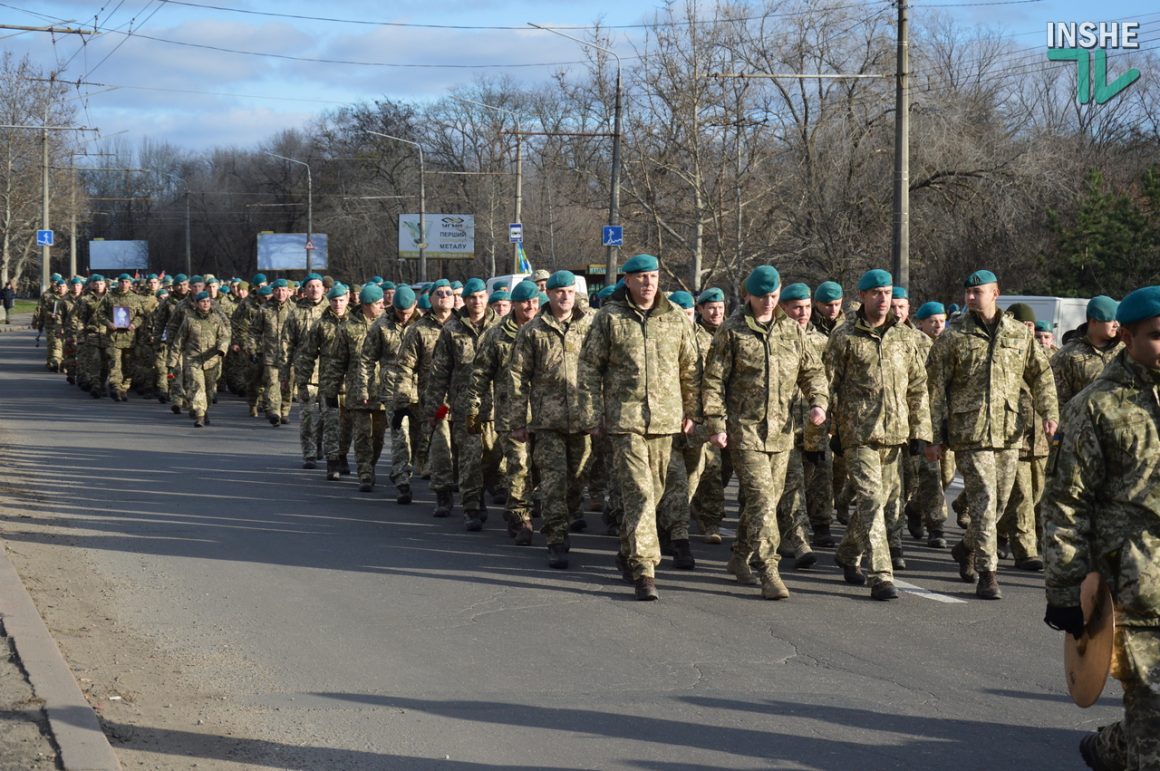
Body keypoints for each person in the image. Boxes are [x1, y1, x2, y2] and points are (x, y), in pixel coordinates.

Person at [1041, 285, 1160, 771]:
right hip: (1134, 588)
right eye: (1157, 335)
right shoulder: (1096, 406)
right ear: (1126, 338)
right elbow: (1067, 501)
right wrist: (1066, 589)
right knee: (1153, 726)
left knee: (1148, 729)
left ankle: (1112, 745)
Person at [926, 270, 1058, 600]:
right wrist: (933, 435)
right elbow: (933, 389)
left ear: (995, 292)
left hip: (1009, 432)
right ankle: (988, 573)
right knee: (984, 500)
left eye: (978, 292)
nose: (971, 297)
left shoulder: (1017, 333)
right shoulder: (953, 335)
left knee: (999, 504)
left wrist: (1050, 414)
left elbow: (1040, 374)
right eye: (967, 292)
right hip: (969, 432)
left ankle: (965, 549)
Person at [702, 266, 828, 601]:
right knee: (760, 499)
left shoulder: (792, 330)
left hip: (781, 433)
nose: (769, 302)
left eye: (774, 296)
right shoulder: (732, 331)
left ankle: (739, 555)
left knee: (765, 503)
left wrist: (818, 402)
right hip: (744, 431)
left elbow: (812, 371)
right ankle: (769, 569)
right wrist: (715, 423)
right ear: (748, 296)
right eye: (762, 297)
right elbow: (713, 382)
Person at [578, 254, 699, 601]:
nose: (648, 283)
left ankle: (626, 549)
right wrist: (593, 411)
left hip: (665, 422)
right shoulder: (610, 318)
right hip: (625, 420)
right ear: (627, 281)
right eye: (641, 277)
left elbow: (690, 369)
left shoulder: (675, 319)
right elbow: (588, 367)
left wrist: (693, 411)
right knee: (640, 493)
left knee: (655, 494)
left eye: (653, 276)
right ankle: (645, 568)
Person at [824, 270, 931, 600]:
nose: (883, 299)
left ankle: (846, 553)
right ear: (863, 296)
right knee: (870, 499)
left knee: (883, 504)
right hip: (859, 435)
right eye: (876, 293)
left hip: (895, 434)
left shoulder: (906, 338)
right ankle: (881, 574)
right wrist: (830, 432)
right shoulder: (844, 337)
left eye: (887, 293)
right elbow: (827, 386)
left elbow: (917, 387)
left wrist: (920, 431)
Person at [508, 272, 594, 566]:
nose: (564, 297)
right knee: (553, 482)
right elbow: (518, 378)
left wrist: (604, 413)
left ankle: (566, 518)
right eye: (558, 292)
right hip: (547, 422)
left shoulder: (591, 325)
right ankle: (556, 538)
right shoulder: (532, 331)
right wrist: (518, 420)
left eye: (569, 291)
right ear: (550, 295)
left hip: (584, 419)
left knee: (576, 481)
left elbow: (607, 371)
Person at [425, 277, 502, 531]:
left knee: (493, 459)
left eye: (480, 296)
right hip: (464, 406)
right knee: (469, 461)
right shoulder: (452, 330)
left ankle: (486, 490)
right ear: (465, 300)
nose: (477, 302)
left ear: (486, 298)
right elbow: (439, 372)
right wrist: (434, 408)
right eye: (471, 298)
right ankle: (472, 506)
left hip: (495, 407)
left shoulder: (501, 327)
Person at [471, 280, 540, 544]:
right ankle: (520, 516)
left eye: (534, 301)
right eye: (525, 302)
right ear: (513, 304)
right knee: (518, 465)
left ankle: (530, 506)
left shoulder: (545, 330)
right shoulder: (497, 335)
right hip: (510, 413)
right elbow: (479, 374)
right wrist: (475, 409)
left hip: (546, 413)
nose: (530, 307)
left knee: (542, 468)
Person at [393, 279, 458, 516]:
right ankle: (443, 495)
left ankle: (470, 494)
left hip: (463, 399)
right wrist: (401, 400)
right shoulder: (418, 329)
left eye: (448, 292)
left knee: (465, 451)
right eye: (439, 293)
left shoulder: (464, 325)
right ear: (430, 299)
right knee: (440, 448)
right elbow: (405, 367)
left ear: (454, 297)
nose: (444, 296)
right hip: (433, 401)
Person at [360, 286, 421, 499]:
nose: (404, 317)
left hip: (421, 389)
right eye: (399, 312)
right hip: (392, 390)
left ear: (415, 306)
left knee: (419, 437)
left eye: (408, 312)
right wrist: (366, 386)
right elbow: (367, 358)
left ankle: (419, 468)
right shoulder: (381, 326)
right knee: (400, 435)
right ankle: (402, 478)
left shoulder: (424, 325)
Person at [324, 284, 384, 492]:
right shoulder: (347, 327)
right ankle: (365, 473)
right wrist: (330, 390)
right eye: (378, 303)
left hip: (383, 390)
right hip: (357, 390)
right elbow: (337, 361)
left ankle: (371, 464)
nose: (382, 306)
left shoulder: (387, 325)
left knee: (378, 437)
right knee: (361, 435)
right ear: (368, 305)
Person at [296, 282, 351, 476]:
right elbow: (307, 354)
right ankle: (332, 461)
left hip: (352, 381)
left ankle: (343, 454)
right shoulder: (321, 324)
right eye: (334, 301)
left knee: (348, 423)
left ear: (348, 299)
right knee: (331, 421)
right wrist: (302, 381)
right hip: (329, 380)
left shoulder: (355, 322)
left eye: (341, 300)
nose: (337, 304)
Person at [908, 301, 951, 548]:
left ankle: (915, 508)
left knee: (946, 475)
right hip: (922, 418)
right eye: (932, 321)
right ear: (921, 322)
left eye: (941, 320)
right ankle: (936, 526)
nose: (937, 325)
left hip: (947, 419)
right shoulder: (912, 343)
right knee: (930, 472)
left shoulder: (949, 343)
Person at [167, 291, 231, 428]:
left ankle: (205, 410)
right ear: (196, 304)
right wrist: (172, 362)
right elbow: (178, 342)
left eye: (208, 301)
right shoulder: (189, 320)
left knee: (208, 390)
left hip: (212, 360)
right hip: (193, 360)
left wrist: (222, 349)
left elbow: (224, 337)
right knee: (197, 387)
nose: (206, 304)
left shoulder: (216, 319)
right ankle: (200, 415)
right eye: (202, 301)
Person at [1051, 295, 1122, 410]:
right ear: (1094, 321)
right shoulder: (1067, 354)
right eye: (1110, 320)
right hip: (1084, 425)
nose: (1116, 324)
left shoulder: (1125, 349)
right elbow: (1057, 399)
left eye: (1117, 320)